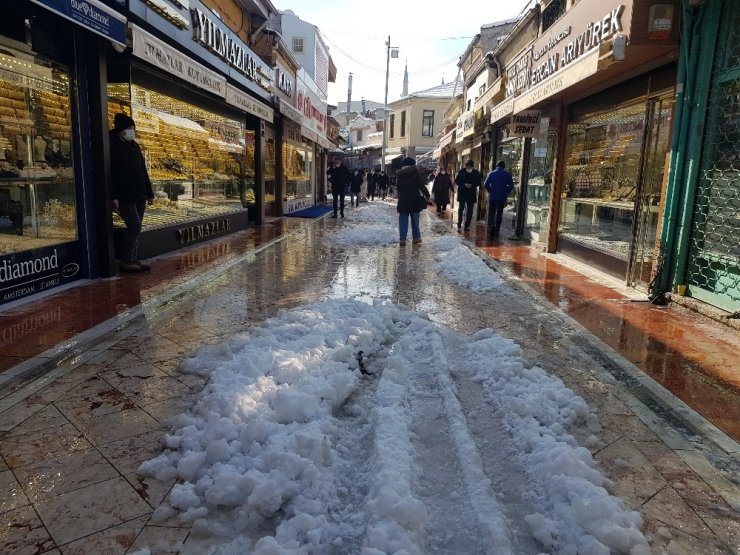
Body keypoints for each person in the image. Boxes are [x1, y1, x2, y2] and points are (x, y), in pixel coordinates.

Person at [110, 113, 154, 273]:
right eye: (129, 128)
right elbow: (109, 174)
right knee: (134, 226)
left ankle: (134, 258)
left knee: (138, 227)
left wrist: (149, 193)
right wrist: (113, 195)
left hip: (139, 194)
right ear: (121, 129)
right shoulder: (111, 146)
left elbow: (143, 171)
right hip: (124, 195)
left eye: (133, 128)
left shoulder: (134, 146)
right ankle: (126, 260)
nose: (131, 131)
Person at [395, 156, 430, 246]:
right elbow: (421, 185)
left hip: (403, 201)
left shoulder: (400, 174)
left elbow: (398, 188)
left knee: (403, 221)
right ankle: (416, 238)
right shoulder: (415, 173)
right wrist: (427, 195)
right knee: (415, 220)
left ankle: (402, 239)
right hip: (414, 200)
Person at [484, 160, 515, 239]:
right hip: (502, 197)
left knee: (492, 213)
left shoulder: (491, 173)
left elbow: (486, 184)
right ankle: (497, 230)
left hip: (493, 197)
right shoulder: (507, 174)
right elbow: (511, 186)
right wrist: (506, 191)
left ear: (497, 166)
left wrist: (491, 191)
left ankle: (491, 227)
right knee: (499, 214)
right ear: (504, 166)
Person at [455, 159, 482, 231]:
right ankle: (459, 223)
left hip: (471, 194)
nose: (468, 168)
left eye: (470, 167)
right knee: (461, 208)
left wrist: (472, 185)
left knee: (470, 210)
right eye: (467, 167)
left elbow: (478, 182)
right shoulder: (462, 171)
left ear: (472, 167)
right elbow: (457, 181)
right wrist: (464, 184)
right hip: (462, 193)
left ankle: (467, 225)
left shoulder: (476, 173)